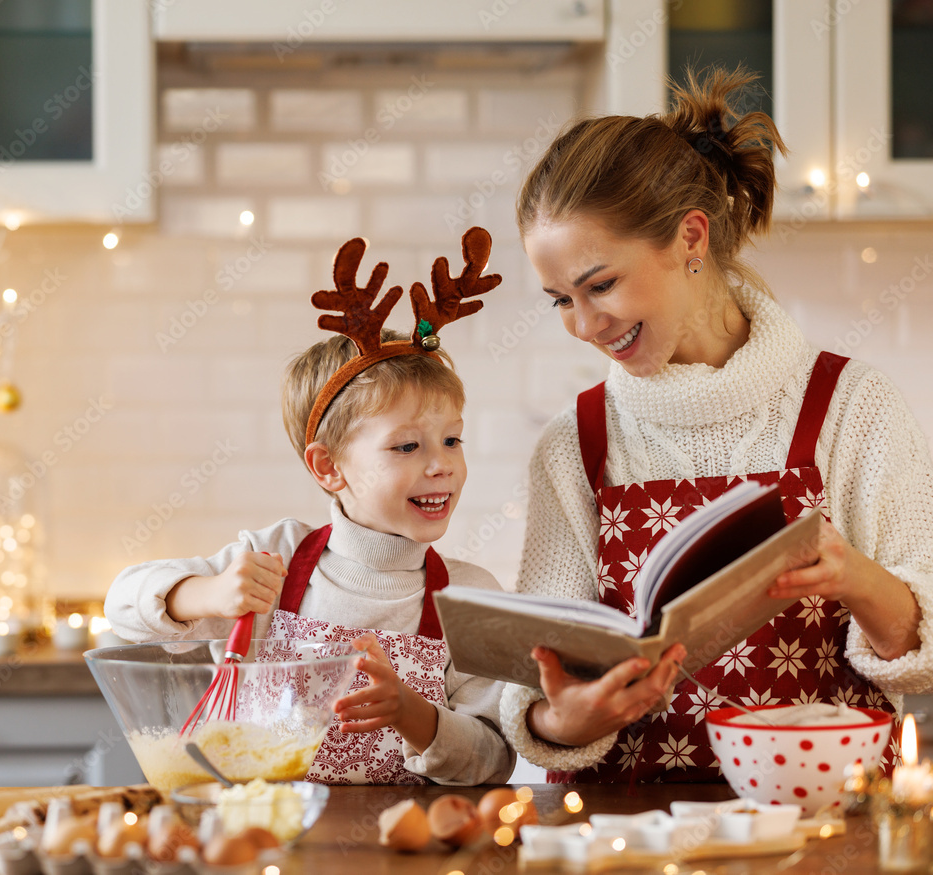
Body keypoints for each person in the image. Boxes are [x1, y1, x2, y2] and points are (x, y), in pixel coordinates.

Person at [498, 67, 933, 783]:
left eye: (601, 284)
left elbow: (920, 651)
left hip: (823, 829)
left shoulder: (852, 405)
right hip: (630, 837)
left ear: (690, 237)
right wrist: (561, 719)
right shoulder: (575, 443)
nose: (583, 324)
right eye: (559, 301)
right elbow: (534, 684)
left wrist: (852, 576)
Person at [105, 230, 516, 786]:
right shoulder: (271, 559)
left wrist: (413, 716)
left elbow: (494, 759)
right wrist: (204, 594)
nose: (441, 464)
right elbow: (120, 606)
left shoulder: (470, 598)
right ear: (328, 467)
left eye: (452, 440)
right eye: (406, 446)